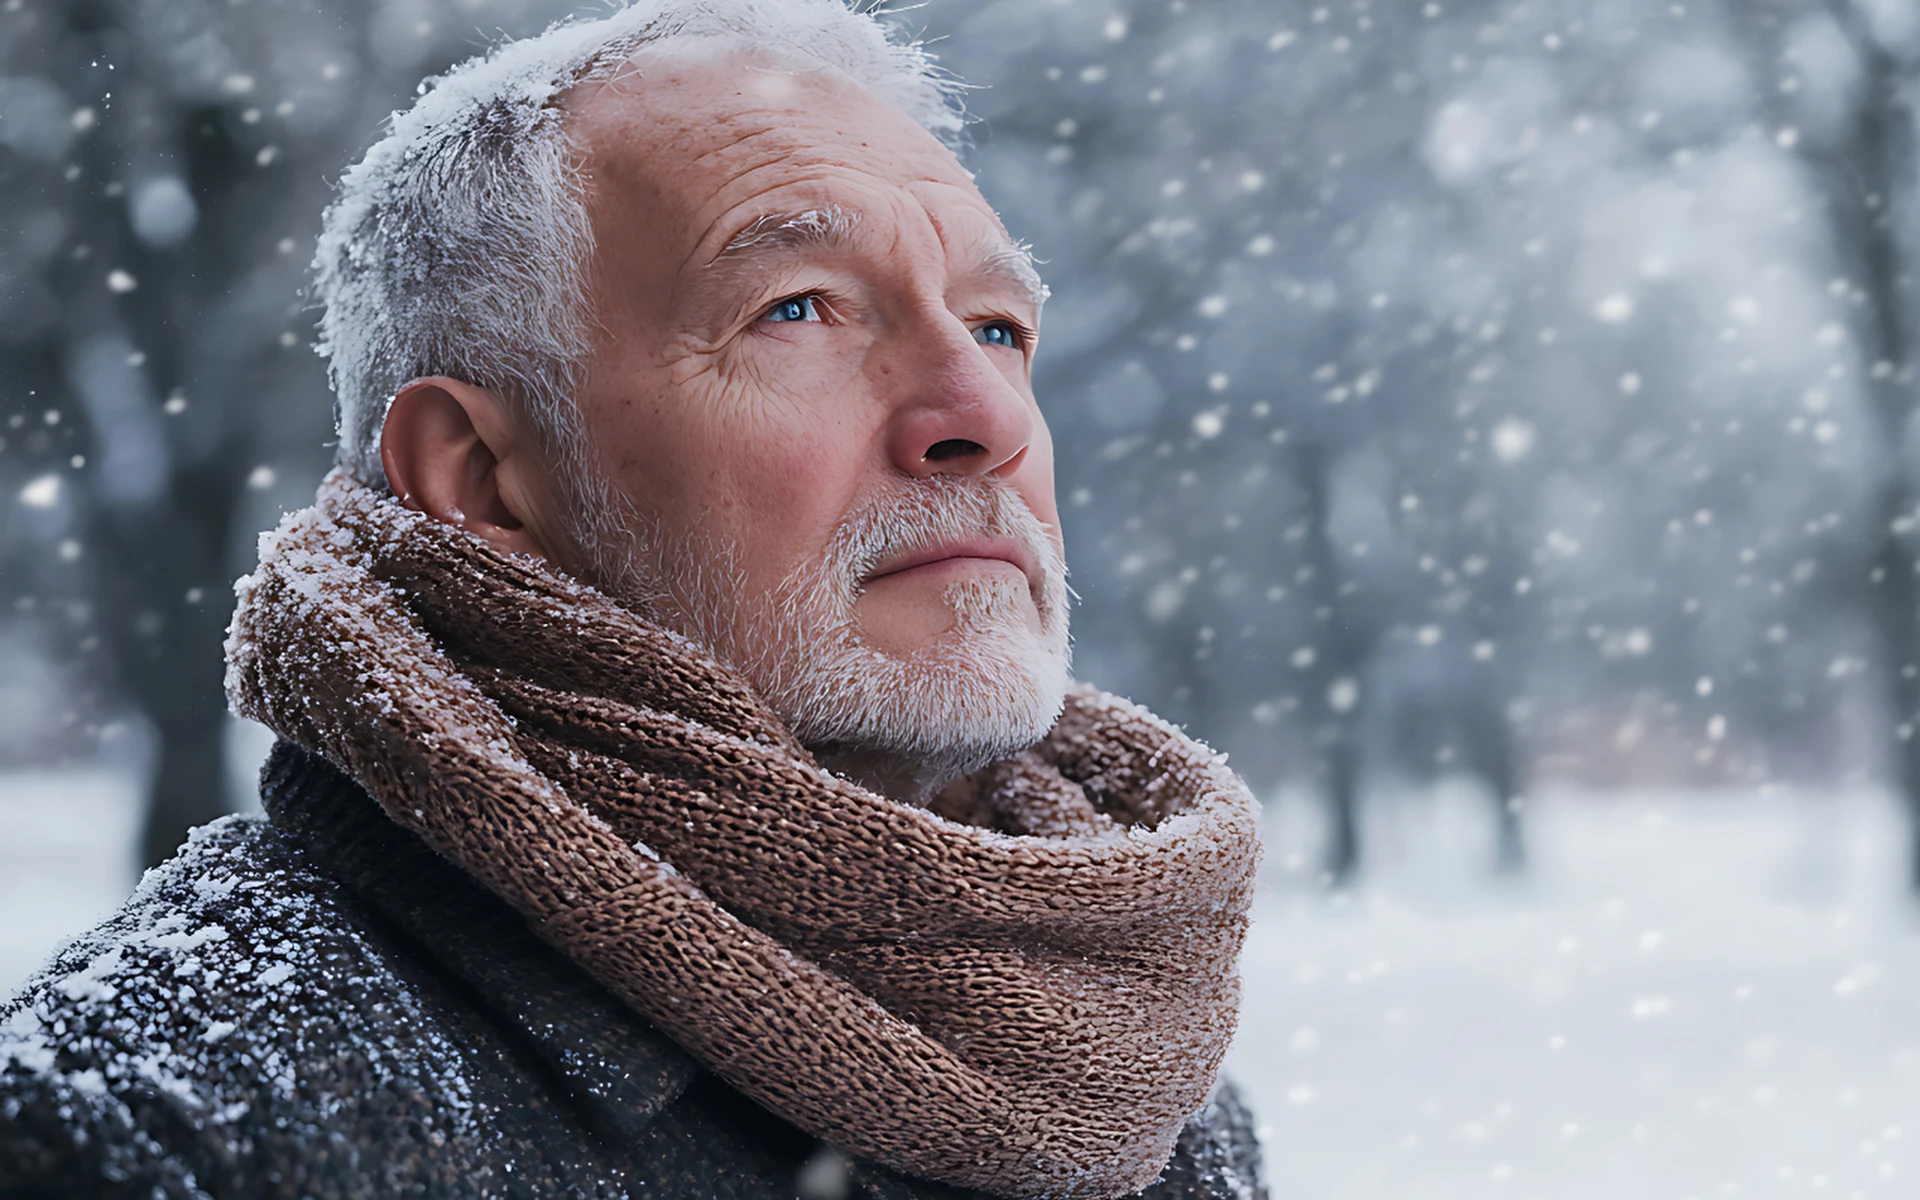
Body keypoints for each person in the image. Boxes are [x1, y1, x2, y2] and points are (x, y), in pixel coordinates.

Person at [0, 3, 1267, 1196]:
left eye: (998, 328)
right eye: (798, 310)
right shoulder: (172, 1124)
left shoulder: (1139, 1091)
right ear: (483, 479)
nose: (984, 418)